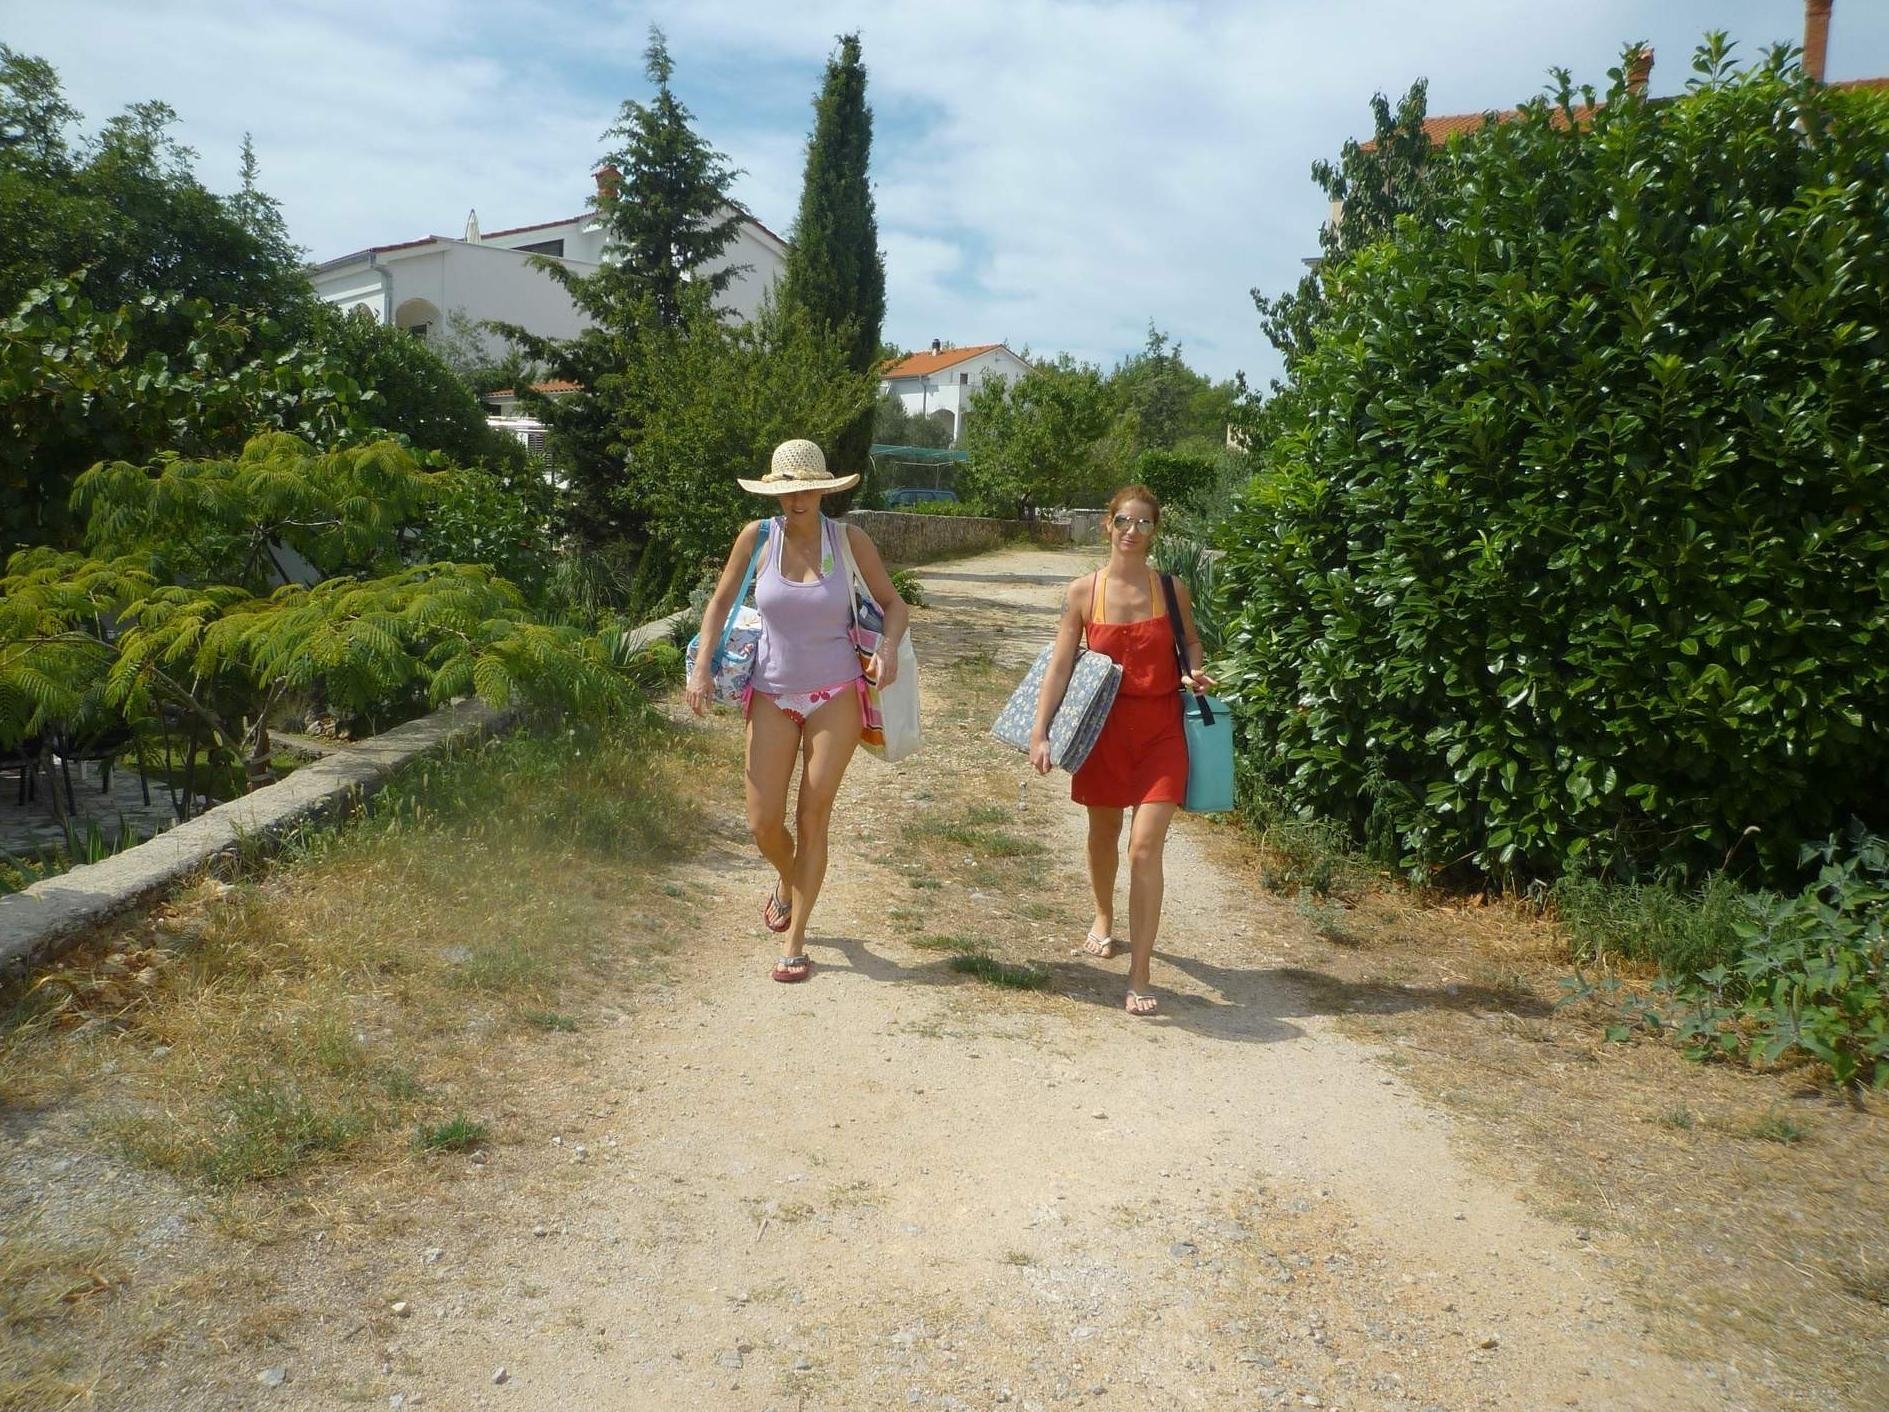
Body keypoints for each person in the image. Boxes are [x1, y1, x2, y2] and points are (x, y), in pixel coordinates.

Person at [686, 439, 910, 983]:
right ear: (775, 494)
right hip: (771, 693)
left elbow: (893, 603)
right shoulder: (757, 537)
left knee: (812, 817)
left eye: (806, 489)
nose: (797, 500)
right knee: (763, 823)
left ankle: (796, 939)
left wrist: (887, 648)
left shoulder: (849, 541)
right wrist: (701, 666)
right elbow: (720, 602)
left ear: (823, 490)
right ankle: (788, 881)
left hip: (836, 694)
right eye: (787, 492)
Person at [1029, 485, 1212, 1016]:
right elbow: (1060, 665)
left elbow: (1190, 642)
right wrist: (1040, 731)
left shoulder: (1171, 589)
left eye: (1144, 523)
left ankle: (1140, 973)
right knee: (1104, 832)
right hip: (1103, 733)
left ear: (1155, 532)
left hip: (1161, 732)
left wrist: (1193, 670)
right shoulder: (1083, 592)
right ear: (1107, 525)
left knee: (1144, 848)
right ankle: (1104, 915)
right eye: (1124, 521)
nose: (1133, 531)